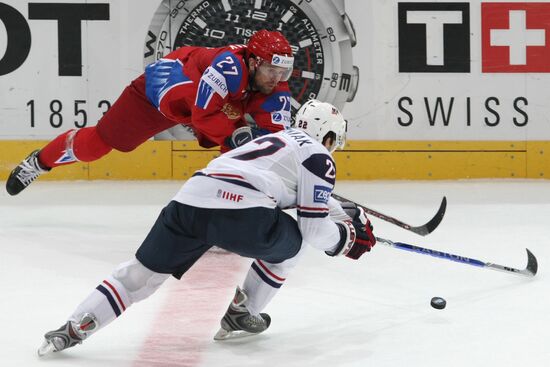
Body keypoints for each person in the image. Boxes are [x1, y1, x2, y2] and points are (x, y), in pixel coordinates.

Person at [36, 100, 377, 356]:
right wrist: (346, 239)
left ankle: (74, 327)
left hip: (191, 202)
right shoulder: (319, 154)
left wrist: (347, 212)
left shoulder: (277, 142)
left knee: (139, 276)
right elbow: (315, 228)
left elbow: (296, 193)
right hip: (241, 214)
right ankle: (243, 312)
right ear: (329, 136)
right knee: (298, 240)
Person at [6, 30, 294, 196]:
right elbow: (205, 118)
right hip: (160, 92)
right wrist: (241, 141)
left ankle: (228, 207)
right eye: (272, 70)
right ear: (254, 62)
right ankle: (40, 161)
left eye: (283, 71)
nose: (277, 78)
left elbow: (278, 141)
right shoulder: (228, 67)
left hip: (205, 103)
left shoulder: (274, 84)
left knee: (243, 145)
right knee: (97, 145)